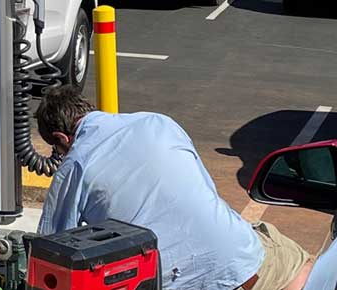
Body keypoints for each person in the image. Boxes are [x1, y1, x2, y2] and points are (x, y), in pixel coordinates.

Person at [35, 85, 313, 290]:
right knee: (300, 265)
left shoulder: (74, 166)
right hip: (239, 262)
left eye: (57, 148)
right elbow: (204, 188)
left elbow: (50, 252)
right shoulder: (158, 122)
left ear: (61, 137)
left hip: (169, 282)